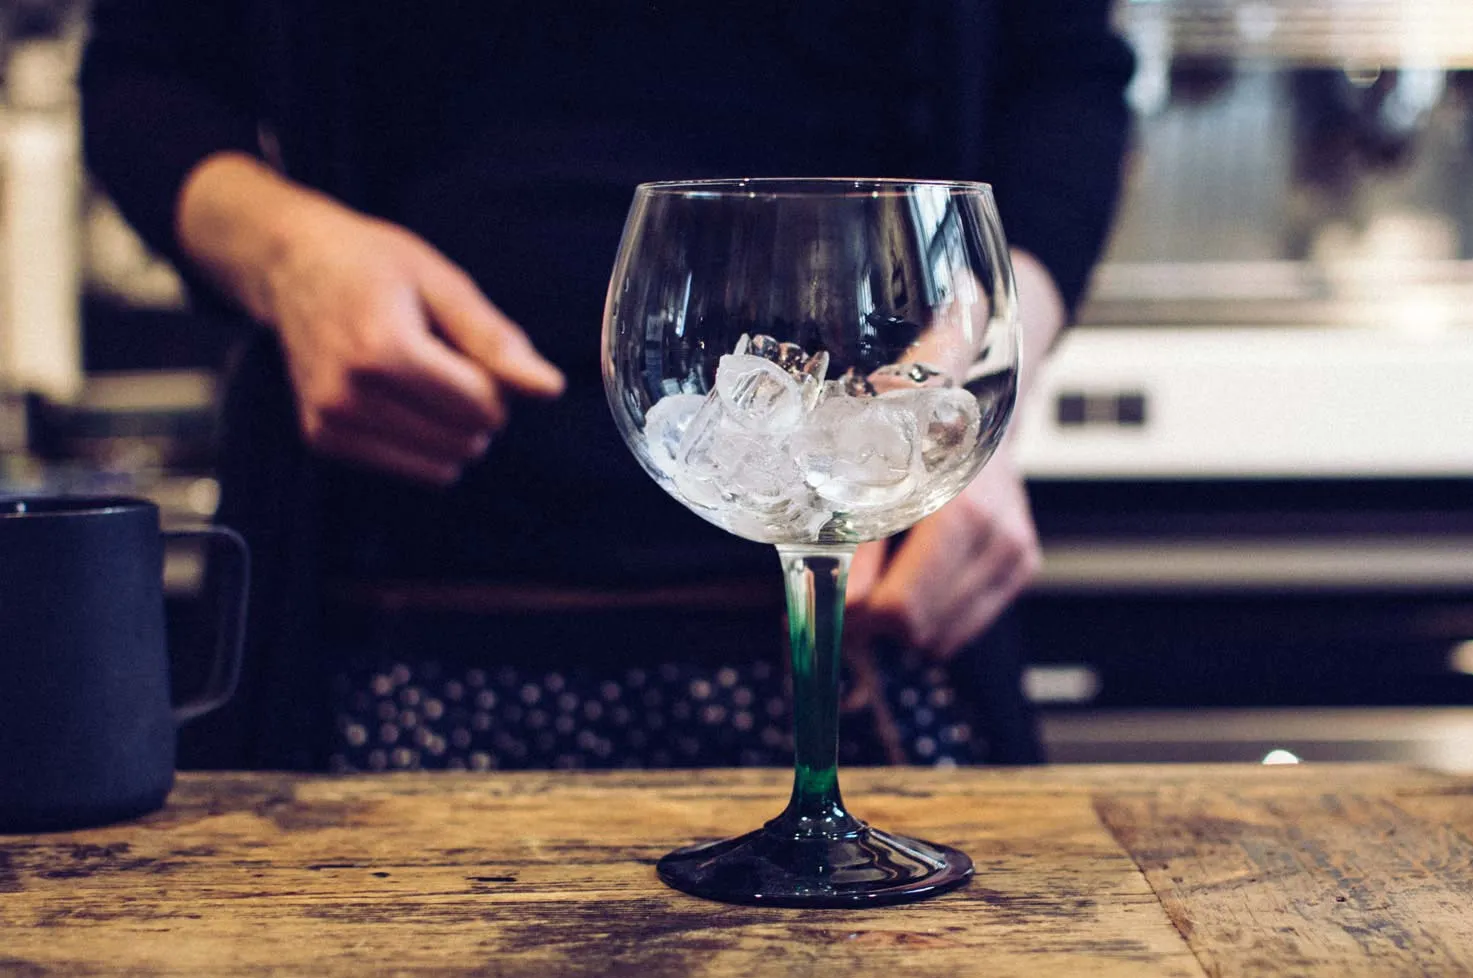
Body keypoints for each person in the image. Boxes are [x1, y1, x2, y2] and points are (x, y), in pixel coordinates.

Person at [79, 2, 1134, 771]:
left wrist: (960, 392)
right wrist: (291, 257)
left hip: (879, 620)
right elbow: (145, 78)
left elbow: (1066, 77)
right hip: (395, 603)